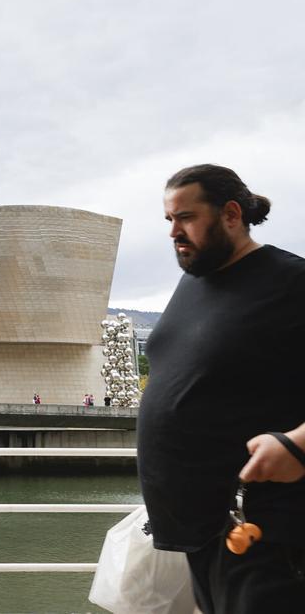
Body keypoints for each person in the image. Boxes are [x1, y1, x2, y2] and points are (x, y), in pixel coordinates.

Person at [138, 165, 305, 613]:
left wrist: (298, 443)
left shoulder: (291, 282)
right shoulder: (192, 285)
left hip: (270, 533)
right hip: (203, 533)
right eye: (169, 219)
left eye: (186, 217)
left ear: (231, 214)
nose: (174, 232)